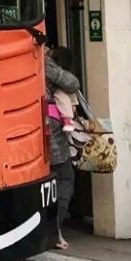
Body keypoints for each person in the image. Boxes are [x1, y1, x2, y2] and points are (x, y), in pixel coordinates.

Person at [44, 45, 81, 249]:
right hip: (52, 135)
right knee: (64, 178)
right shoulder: (42, 60)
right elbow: (72, 82)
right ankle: (55, 231)